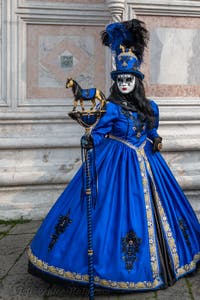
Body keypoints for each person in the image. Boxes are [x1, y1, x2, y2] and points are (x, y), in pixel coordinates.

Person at [28, 19, 200, 292]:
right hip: (116, 162)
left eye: (128, 79)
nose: (123, 84)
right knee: (107, 211)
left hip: (148, 161)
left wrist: (155, 138)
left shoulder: (150, 107)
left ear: (137, 82)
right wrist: (89, 139)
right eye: (120, 80)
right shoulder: (109, 109)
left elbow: (151, 129)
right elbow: (99, 133)